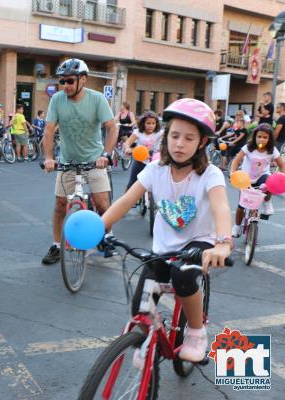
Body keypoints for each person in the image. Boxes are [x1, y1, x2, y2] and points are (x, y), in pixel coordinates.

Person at [101, 98, 232, 362]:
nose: (179, 144)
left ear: (202, 142)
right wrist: (100, 226)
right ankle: (145, 338)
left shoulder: (210, 174)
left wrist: (223, 243)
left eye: (188, 138)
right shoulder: (155, 170)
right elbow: (126, 200)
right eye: (174, 136)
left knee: (182, 275)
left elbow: (221, 208)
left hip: (200, 242)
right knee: (142, 303)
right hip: (164, 247)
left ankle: (196, 331)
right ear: (166, 136)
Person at [41, 58, 118, 264]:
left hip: (94, 160)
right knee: (59, 204)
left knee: (102, 204)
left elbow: (111, 127)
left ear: (83, 80)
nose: (65, 85)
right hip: (67, 160)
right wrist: (49, 157)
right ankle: (57, 245)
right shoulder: (57, 99)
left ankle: (107, 236)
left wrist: (106, 155)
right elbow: (48, 131)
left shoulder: (97, 99)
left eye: (69, 81)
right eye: (62, 81)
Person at [230, 124, 285, 234]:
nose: (262, 139)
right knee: (242, 206)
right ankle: (236, 226)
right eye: (259, 136)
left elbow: (282, 164)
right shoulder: (248, 148)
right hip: (245, 178)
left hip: (262, 176)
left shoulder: (272, 150)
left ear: (269, 139)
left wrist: (282, 176)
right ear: (255, 137)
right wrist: (232, 172)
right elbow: (236, 161)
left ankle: (267, 203)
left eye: (265, 137)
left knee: (269, 182)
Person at [123, 111, 163, 191]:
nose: (151, 126)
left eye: (153, 123)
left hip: (154, 161)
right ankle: (127, 198)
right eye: (148, 123)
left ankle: (152, 201)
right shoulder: (138, 132)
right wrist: (127, 148)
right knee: (132, 182)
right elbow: (128, 142)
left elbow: (169, 137)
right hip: (140, 160)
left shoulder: (159, 133)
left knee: (156, 184)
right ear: (143, 123)